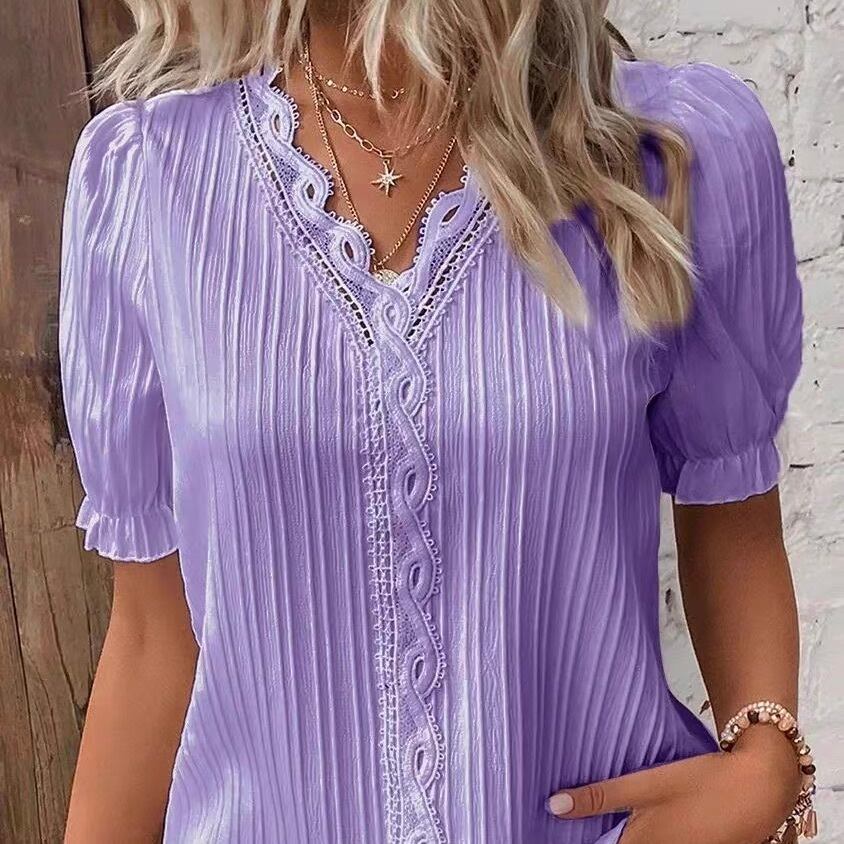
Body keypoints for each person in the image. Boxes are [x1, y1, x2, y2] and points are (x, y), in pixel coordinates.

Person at [59, 1, 811, 842]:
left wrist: (766, 763)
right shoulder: (146, 181)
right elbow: (153, 635)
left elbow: (733, 513)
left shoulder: (660, 152)